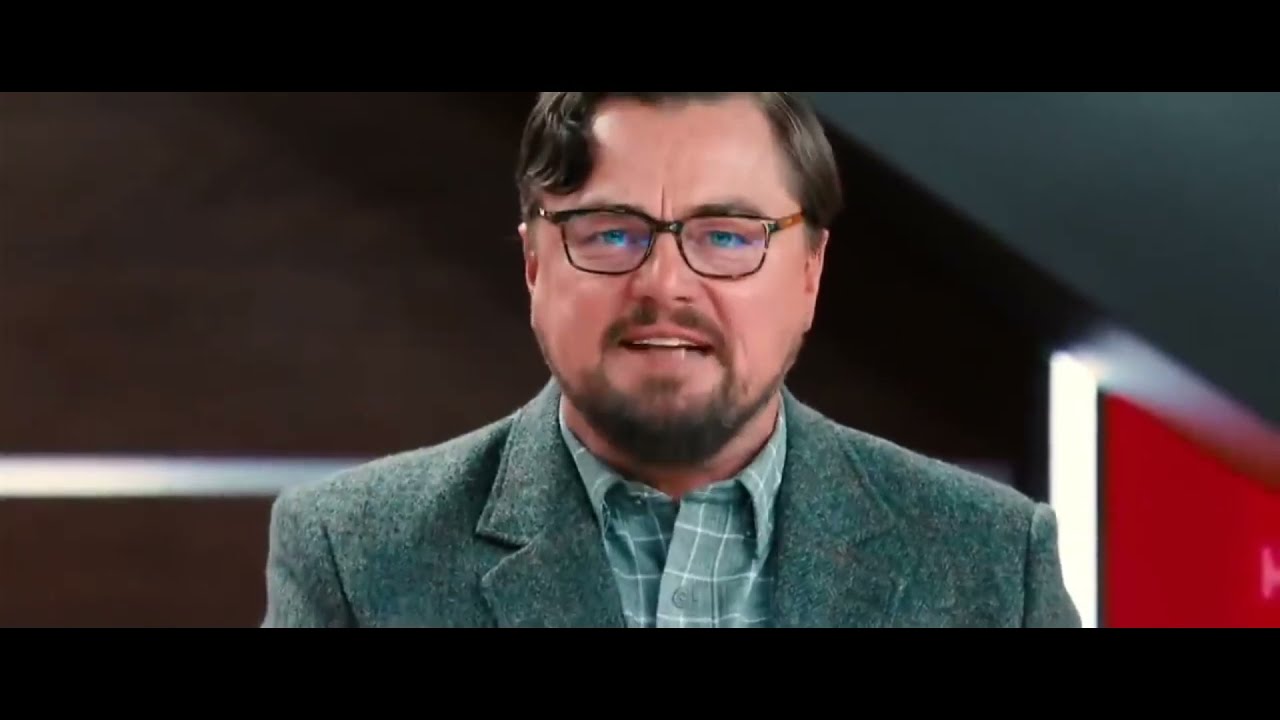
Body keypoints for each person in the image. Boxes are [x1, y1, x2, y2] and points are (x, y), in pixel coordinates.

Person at [261, 92, 1081, 628]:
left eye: (726, 236)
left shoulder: (990, 562)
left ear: (809, 273)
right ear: (535, 264)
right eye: (611, 233)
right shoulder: (354, 557)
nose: (663, 284)